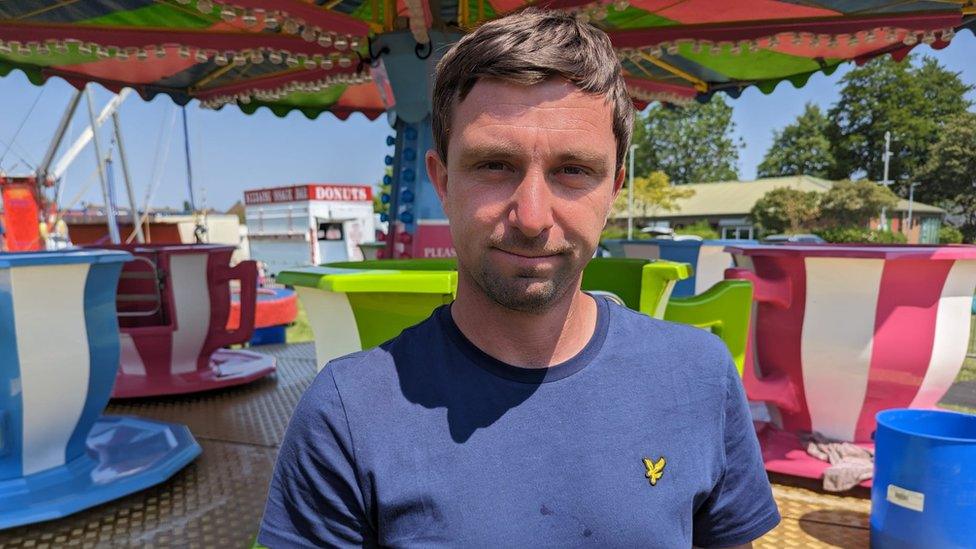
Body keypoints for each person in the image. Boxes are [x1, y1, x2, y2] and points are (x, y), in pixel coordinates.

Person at [259, 9, 779, 547]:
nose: (531, 217)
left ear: (614, 188)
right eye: (494, 166)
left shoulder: (700, 377)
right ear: (443, 181)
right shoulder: (347, 414)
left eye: (573, 171)